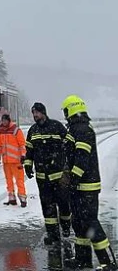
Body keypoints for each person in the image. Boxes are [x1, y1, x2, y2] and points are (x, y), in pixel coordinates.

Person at [61, 95, 115, 270]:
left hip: (87, 186)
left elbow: (82, 158)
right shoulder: (77, 128)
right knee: (79, 223)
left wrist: (73, 178)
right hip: (79, 186)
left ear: (71, 110)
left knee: (90, 222)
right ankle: (83, 259)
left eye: (65, 111)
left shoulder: (82, 129)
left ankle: (108, 262)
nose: (65, 114)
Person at [23, 101, 73, 255]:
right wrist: (27, 165)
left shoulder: (57, 127)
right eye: (33, 113)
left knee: (64, 205)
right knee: (47, 206)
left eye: (37, 112)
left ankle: (65, 228)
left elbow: (69, 146)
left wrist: (67, 167)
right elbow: (29, 151)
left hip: (59, 177)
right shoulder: (33, 130)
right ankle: (53, 235)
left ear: (43, 112)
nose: (35, 116)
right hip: (42, 177)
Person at [0, 113, 27, 207]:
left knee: (19, 180)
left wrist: (23, 155)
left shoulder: (16, 130)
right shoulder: (1, 131)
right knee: (9, 180)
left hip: (16, 161)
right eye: (3, 120)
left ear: (9, 120)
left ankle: (22, 198)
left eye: (5, 120)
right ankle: (11, 197)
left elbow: (22, 144)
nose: (4, 122)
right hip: (6, 161)